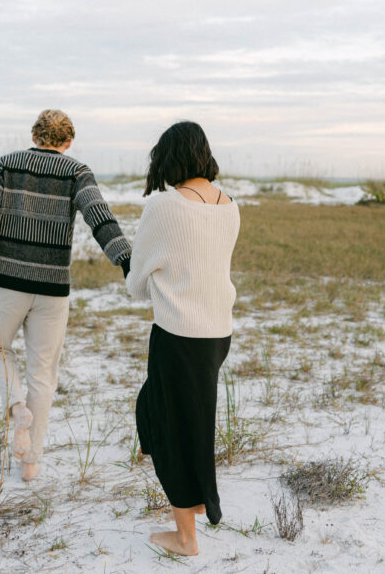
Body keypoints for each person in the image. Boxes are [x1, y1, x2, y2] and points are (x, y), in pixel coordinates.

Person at [0, 109, 131, 482]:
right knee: (43, 375)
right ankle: (30, 464)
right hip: (52, 289)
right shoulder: (77, 171)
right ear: (68, 142)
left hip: (8, 283)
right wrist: (125, 260)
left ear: (34, 135)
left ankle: (16, 408)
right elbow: (100, 217)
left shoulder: (7, 165)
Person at [125, 121, 240, 556]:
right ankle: (195, 509)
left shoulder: (165, 206)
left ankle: (187, 536)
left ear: (169, 157)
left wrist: (146, 278)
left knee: (174, 428)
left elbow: (137, 281)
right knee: (179, 419)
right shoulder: (230, 205)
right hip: (216, 333)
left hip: (178, 334)